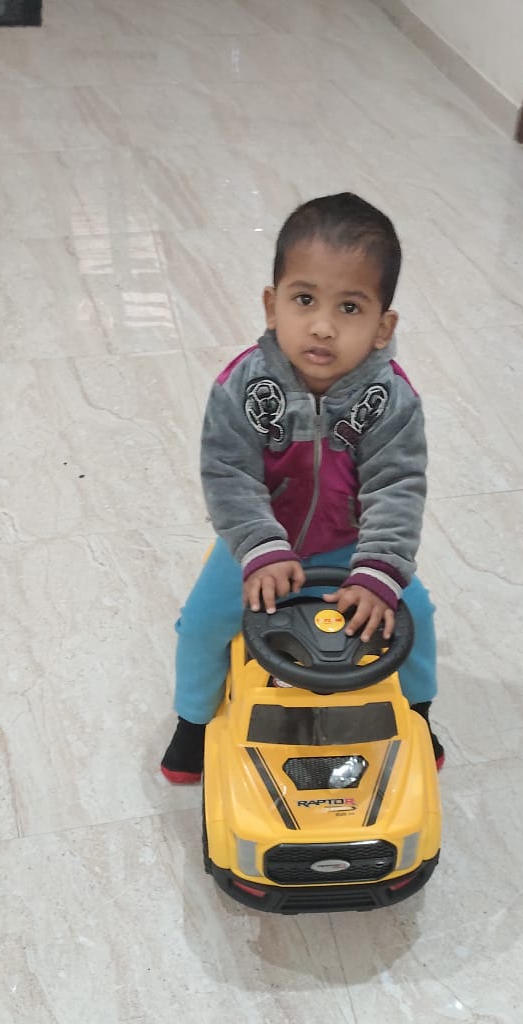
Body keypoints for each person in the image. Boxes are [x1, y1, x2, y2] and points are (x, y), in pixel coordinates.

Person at [161, 192, 443, 783]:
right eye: (305, 300)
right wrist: (261, 547)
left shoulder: (391, 399)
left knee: (414, 614)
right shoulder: (241, 386)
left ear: (383, 325)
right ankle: (191, 723)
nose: (321, 326)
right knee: (205, 621)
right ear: (272, 305)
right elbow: (229, 474)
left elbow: (397, 488)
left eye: (349, 308)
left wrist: (379, 571)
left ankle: (417, 714)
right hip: (258, 539)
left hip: (348, 543)